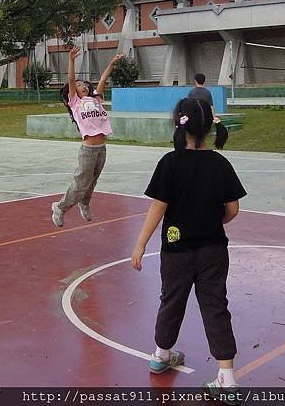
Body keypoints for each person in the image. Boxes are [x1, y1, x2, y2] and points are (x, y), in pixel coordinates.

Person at [131, 98, 246, 403]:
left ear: (179, 124)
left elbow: (158, 207)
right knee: (215, 308)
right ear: (210, 126)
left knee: (171, 301)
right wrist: (212, 221)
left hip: (176, 251)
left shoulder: (170, 162)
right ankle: (227, 377)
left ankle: (161, 354)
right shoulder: (220, 164)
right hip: (213, 251)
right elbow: (233, 209)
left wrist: (141, 243)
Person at [51, 46, 123, 228]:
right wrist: (72, 60)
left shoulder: (96, 99)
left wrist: (112, 63)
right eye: (79, 85)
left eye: (84, 84)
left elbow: (104, 79)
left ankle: (84, 203)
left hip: (102, 149)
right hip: (88, 150)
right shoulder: (76, 102)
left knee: (92, 181)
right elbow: (70, 78)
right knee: (81, 184)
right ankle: (60, 208)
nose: (82, 85)